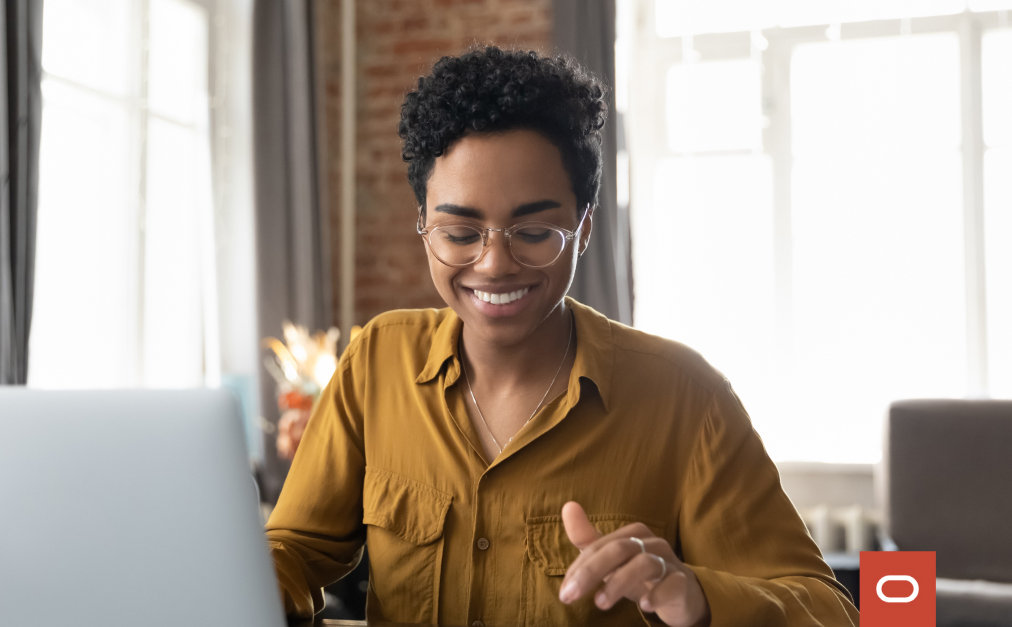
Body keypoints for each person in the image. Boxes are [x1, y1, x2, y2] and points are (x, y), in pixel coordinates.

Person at [266, 46, 859, 627]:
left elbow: (830, 610)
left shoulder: (686, 398)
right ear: (424, 226)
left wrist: (698, 596)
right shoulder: (378, 360)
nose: (494, 264)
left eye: (534, 230)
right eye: (460, 231)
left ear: (584, 228)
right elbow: (294, 550)